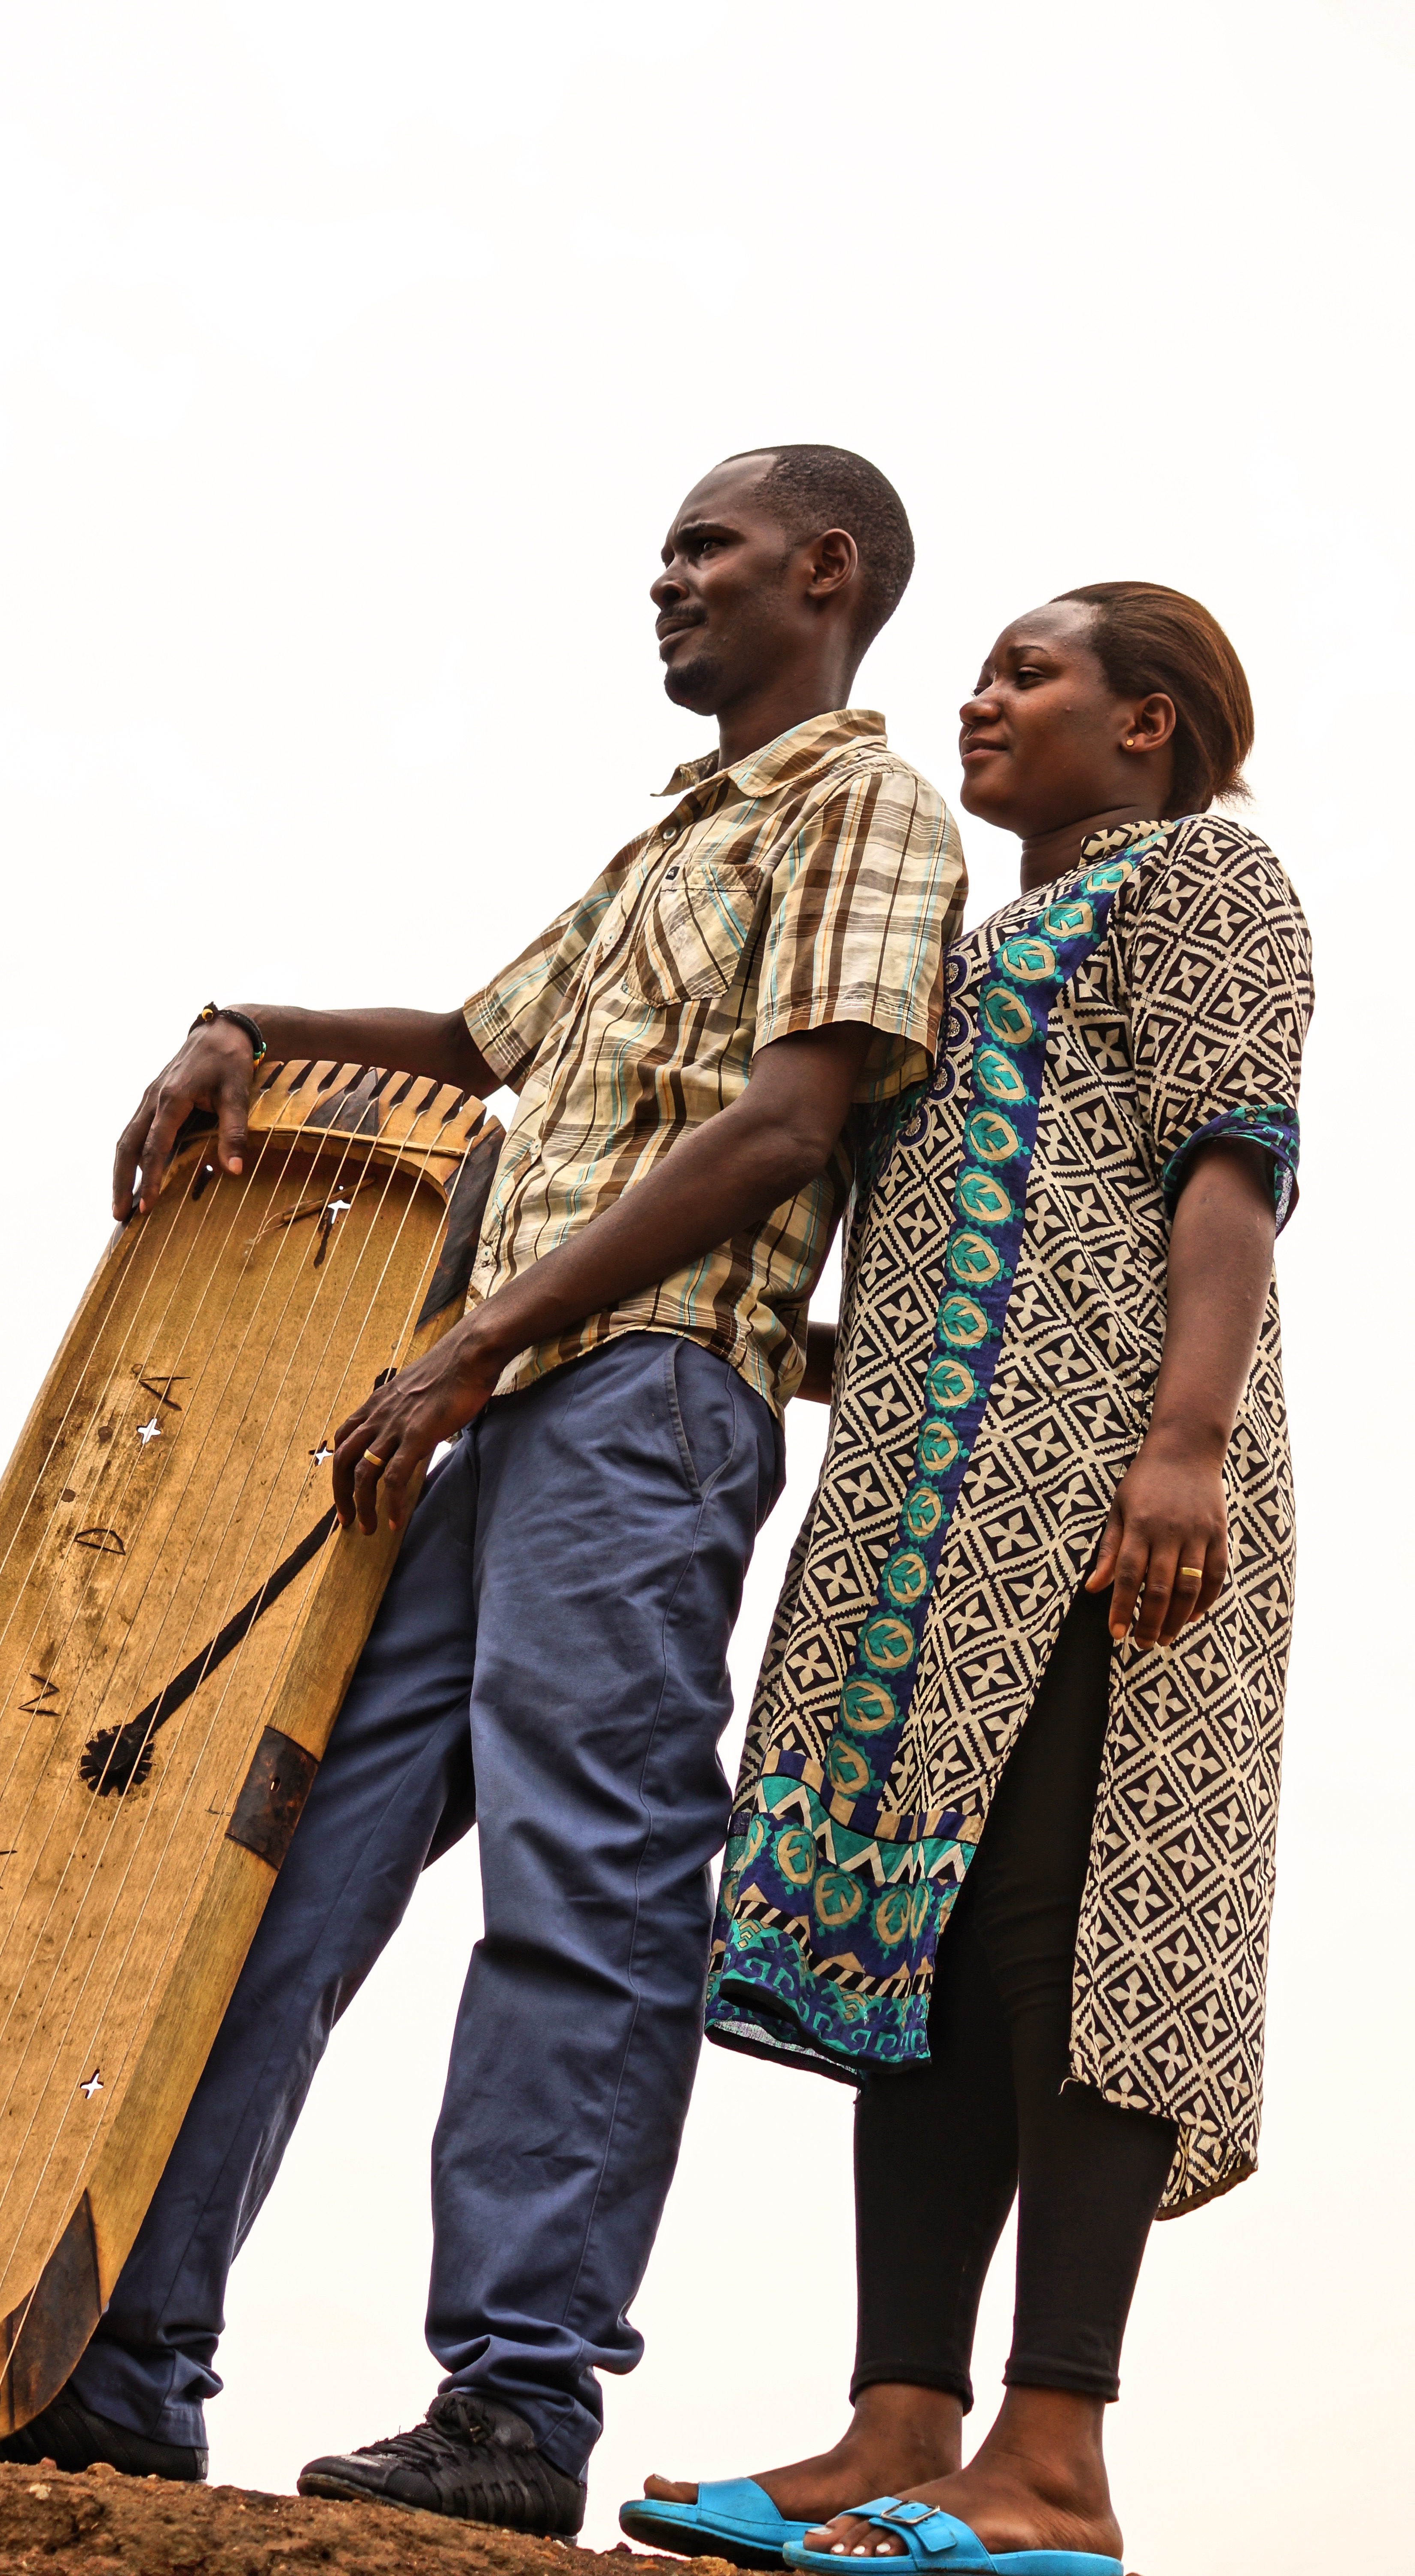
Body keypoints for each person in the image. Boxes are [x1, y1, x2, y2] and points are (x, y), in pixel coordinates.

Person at [0, 445, 966, 2536]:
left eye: (705, 547)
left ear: (825, 570)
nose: (666, 580)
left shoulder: (867, 811)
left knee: (582, 1890)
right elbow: (469, 1040)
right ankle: (124, 2361)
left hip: (646, 1398)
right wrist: (242, 1023)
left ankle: (518, 2404)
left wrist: (467, 1339)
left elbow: (788, 1127)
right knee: (288, 1870)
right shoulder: (671, 840)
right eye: (663, 552)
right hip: (500, 1408)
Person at [624, 584, 1311, 2574]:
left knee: (1069, 1938)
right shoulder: (962, 949)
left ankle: (1056, 2460)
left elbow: (1231, 1170)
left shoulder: (1206, 878)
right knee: (911, 1948)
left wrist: (1181, 1445)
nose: (980, 698)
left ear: (1148, 722)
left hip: (1112, 1497)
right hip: (930, 1531)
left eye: (1029, 671)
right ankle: (898, 2424)